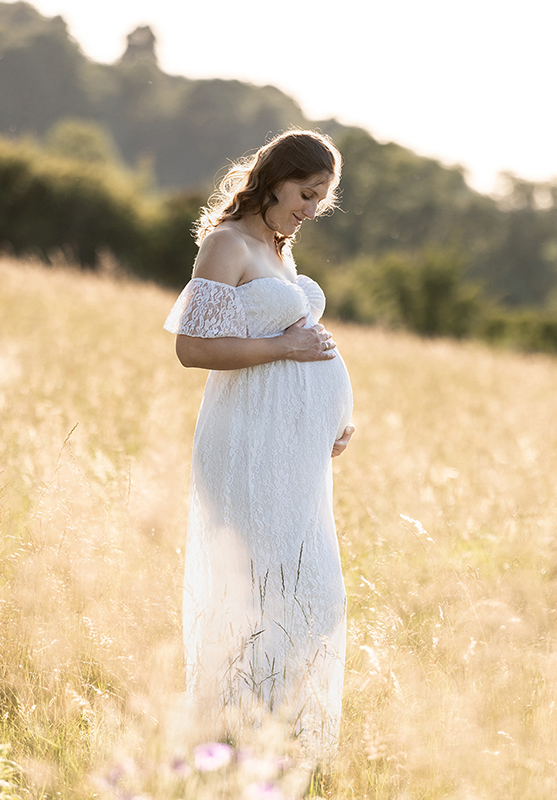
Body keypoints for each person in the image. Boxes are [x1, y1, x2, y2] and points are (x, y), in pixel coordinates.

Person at [164, 130, 354, 759]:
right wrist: (286, 350)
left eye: (321, 200)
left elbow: (296, 342)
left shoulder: (278, 250)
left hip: (291, 452)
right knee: (255, 583)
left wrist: (327, 417)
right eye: (306, 193)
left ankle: (280, 739)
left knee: (307, 587)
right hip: (245, 443)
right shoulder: (226, 244)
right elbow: (194, 349)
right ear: (275, 180)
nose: (311, 208)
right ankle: (230, 740)